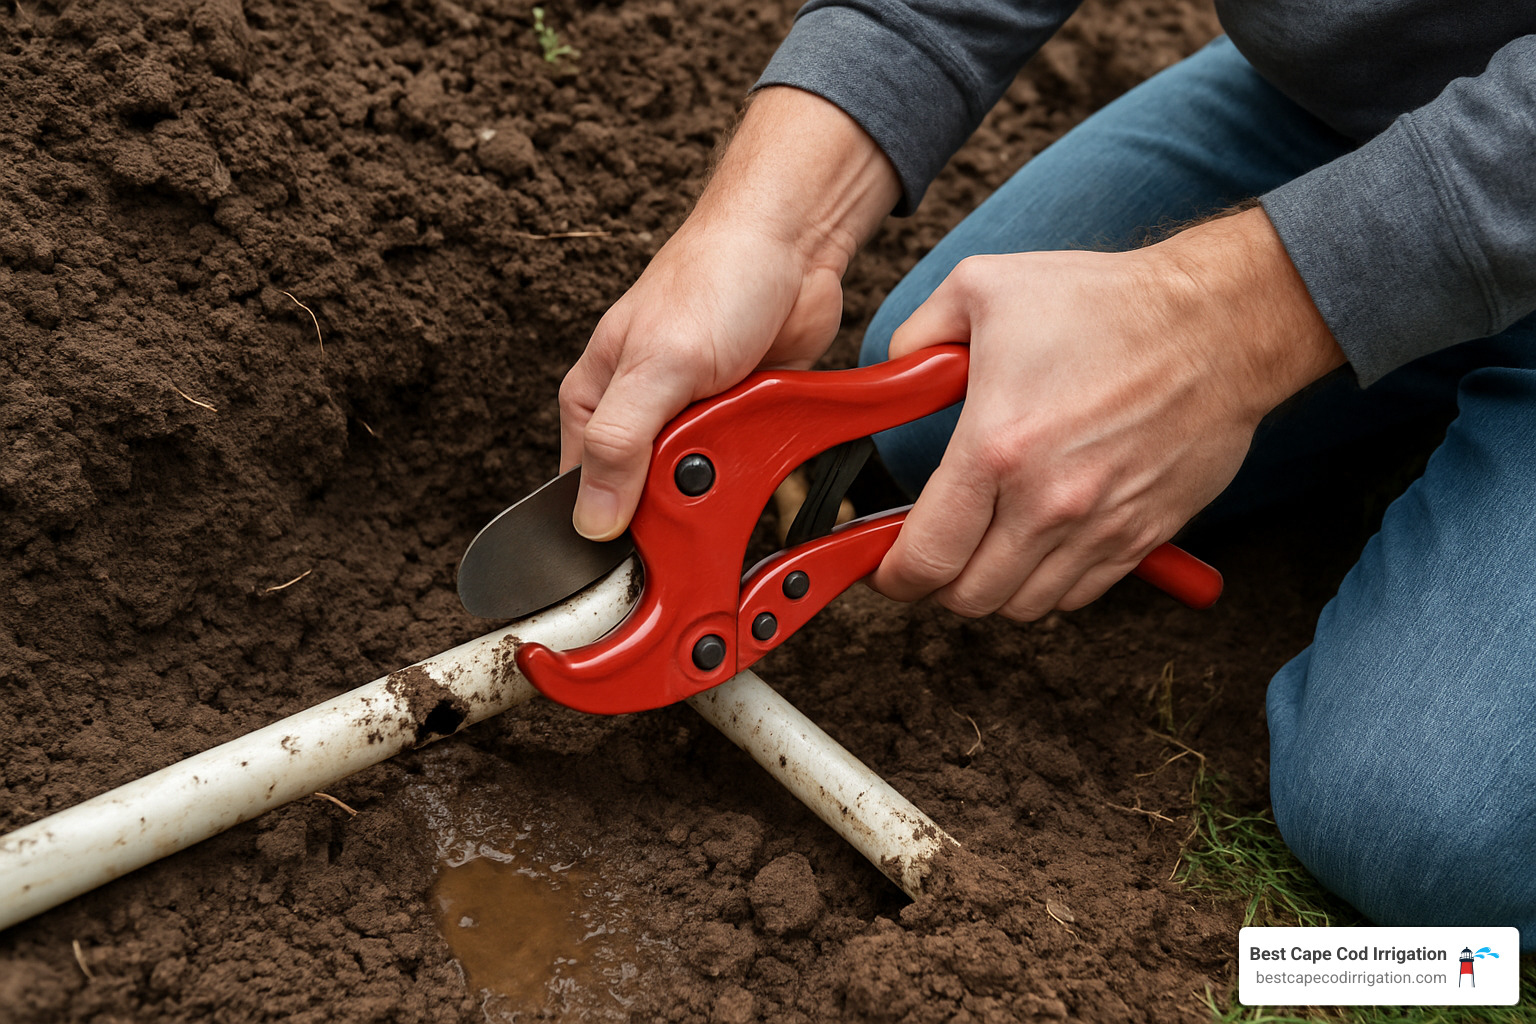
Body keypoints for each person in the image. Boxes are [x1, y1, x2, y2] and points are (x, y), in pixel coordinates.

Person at [554, 2, 1536, 945]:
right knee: (957, 419)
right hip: (1378, 105)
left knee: (1414, 832)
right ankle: (1411, 341)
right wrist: (771, 224)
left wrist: (1224, 323)